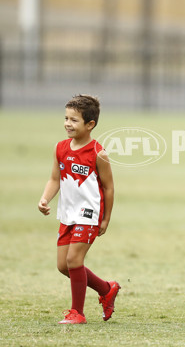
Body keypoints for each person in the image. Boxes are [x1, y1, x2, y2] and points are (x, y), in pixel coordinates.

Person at [38, 94, 120, 324]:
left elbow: (109, 188)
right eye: (66, 118)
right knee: (63, 266)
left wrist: (106, 219)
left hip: (89, 214)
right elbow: (55, 179)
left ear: (90, 124)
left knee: (74, 261)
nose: (67, 123)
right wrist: (45, 199)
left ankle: (77, 313)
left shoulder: (98, 153)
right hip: (67, 213)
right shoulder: (60, 148)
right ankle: (106, 289)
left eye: (74, 120)